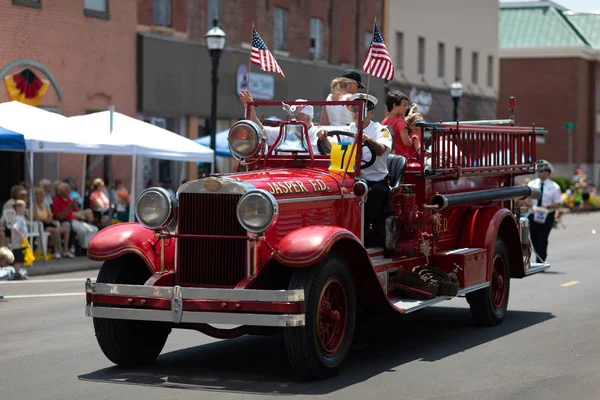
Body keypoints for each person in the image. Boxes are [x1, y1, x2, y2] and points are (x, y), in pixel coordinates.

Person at [318, 93, 392, 244]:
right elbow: (334, 151)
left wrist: (367, 139)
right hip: (350, 180)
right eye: (355, 109)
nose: (358, 113)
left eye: (362, 110)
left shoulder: (380, 130)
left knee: (375, 194)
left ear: (371, 112)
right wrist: (324, 138)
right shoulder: (348, 129)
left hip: (374, 180)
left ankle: (361, 236)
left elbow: (381, 150)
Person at [239, 90, 322, 152]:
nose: (292, 119)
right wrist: (249, 108)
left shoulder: (318, 135)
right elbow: (261, 131)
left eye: (296, 116)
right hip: (283, 172)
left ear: (308, 119)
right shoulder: (284, 131)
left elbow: (329, 150)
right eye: (292, 115)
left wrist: (324, 139)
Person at [523, 161, 562, 264]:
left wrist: (547, 206)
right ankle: (538, 257)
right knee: (533, 237)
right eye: (539, 171)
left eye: (542, 171)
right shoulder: (532, 184)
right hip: (533, 213)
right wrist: (532, 206)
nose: (540, 173)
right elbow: (525, 199)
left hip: (547, 215)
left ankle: (540, 260)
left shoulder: (554, 186)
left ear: (548, 172)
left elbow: (558, 203)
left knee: (542, 238)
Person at [53, 182, 98, 251]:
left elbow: (75, 210)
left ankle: (90, 246)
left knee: (94, 229)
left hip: (74, 220)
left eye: (69, 190)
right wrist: (69, 208)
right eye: (67, 190)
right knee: (82, 230)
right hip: (65, 222)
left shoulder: (68, 199)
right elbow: (59, 216)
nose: (69, 192)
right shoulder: (56, 200)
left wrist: (75, 207)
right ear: (62, 192)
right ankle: (84, 248)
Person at [34, 187, 74, 259]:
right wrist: (44, 219)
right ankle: (56, 251)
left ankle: (66, 250)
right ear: (36, 196)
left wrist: (49, 219)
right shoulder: (33, 206)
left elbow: (50, 215)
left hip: (49, 223)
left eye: (43, 195)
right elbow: (33, 217)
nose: (43, 197)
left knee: (66, 230)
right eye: (41, 195)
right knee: (55, 231)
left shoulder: (45, 206)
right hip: (42, 225)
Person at [381, 91, 418, 158]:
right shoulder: (400, 122)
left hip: (387, 159)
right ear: (394, 106)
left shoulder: (383, 122)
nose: (406, 108)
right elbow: (407, 143)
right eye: (404, 105)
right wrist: (413, 135)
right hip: (400, 160)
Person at [10, 200, 29, 280]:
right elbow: (15, 228)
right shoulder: (18, 219)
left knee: (19, 258)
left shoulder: (19, 218)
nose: (25, 210)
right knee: (18, 259)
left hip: (19, 243)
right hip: (18, 244)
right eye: (23, 208)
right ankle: (17, 273)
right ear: (18, 208)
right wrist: (21, 235)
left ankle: (17, 272)